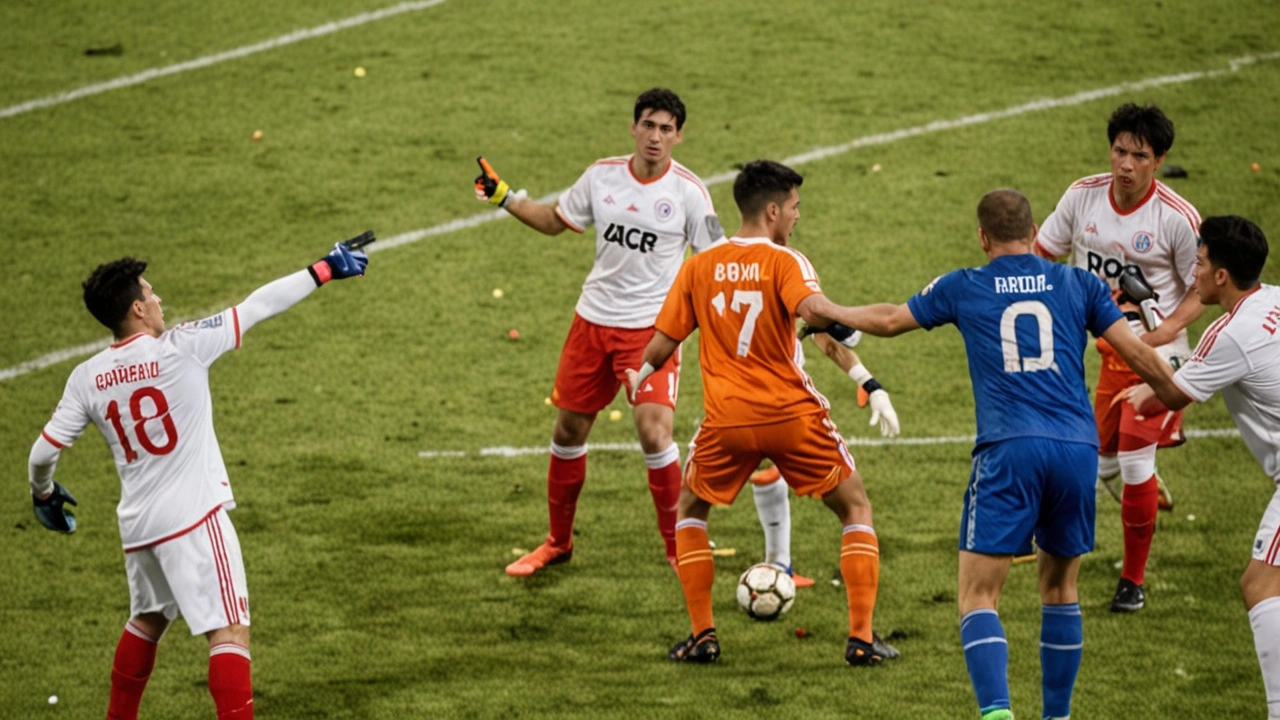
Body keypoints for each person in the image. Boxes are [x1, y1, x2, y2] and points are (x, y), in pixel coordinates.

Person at [828, 189, 1174, 720]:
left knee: (978, 596)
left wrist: (829, 311)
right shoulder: (1078, 283)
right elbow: (1135, 352)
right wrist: (1177, 393)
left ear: (982, 237)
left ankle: (997, 714)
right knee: (1060, 589)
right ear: (1034, 232)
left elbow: (892, 319)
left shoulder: (965, 285)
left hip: (1010, 450)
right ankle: (1056, 716)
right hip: (1076, 451)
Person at [27, 237, 370, 720]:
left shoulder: (86, 377)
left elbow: (43, 452)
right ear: (138, 310)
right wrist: (324, 269)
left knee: (147, 619)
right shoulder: (182, 348)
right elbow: (257, 306)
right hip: (194, 518)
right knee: (229, 631)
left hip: (139, 526)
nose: (159, 298)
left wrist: (43, 494)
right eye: (151, 292)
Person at [626, 159, 898, 665]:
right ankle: (861, 639)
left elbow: (664, 342)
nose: (797, 216)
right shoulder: (786, 263)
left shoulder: (698, 266)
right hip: (791, 416)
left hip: (726, 421)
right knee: (855, 508)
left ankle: (703, 637)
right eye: (794, 207)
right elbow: (814, 316)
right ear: (773, 210)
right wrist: (846, 318)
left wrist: (640, 377)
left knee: (689, 511)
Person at [474, 88, 722, 576]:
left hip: (651, 333)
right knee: (568, 430)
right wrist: (504, 196)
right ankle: (557, 543)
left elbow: (714, 261)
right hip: (591, 323)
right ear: (633, 128)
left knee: (654, 432)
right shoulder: (601, 176)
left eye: (666, 129)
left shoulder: (689, 193)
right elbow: (553, 221)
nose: (655, 136)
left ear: (679, 136)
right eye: (648, 125)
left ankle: (678, 549)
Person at [1034, 103, 1202, 613]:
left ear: (1159, 160)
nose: (1126, 164)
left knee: (1131, 457)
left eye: (1139, 155)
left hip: (1160, 356)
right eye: (1119, 151)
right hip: (1107, 355)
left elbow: (1203, 288)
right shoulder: (1082, 197)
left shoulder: (1176, 217)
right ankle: (1143, 491)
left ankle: (1132, 582)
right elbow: (1042, 257)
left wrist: (1166, 333)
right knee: (1100, 462)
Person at [1124, 216, 1280, 718]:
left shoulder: (1229, 334)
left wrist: (1124, 342)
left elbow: (1168, 396)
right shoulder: (1272, 300)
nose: (1192, 272)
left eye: (1200, 261)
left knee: (1260, 585)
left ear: (1221, 276)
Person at [748, 327, 899, 587]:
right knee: (856, 506)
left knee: (691, 502)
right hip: (789, 409)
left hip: (729, 403)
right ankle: (861, 628)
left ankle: (777, 564)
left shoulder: (721, 287)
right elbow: (840, 337)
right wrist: (871, 385)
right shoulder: (792, 288)